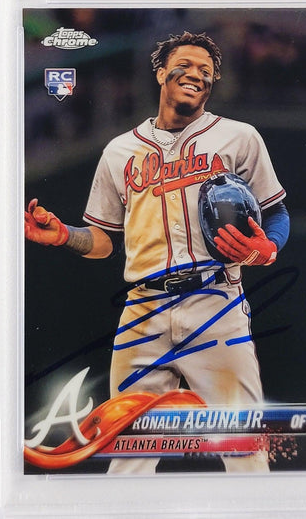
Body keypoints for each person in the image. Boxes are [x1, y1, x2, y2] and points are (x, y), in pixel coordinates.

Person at [25, 31, 290, 474]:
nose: (196, 75)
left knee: (244, 449)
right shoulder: (119, 151)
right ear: (161, 72)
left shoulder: (238, 137)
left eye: (207, 71)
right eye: (186, 65)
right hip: (143, 309)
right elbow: (104, 240)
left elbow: (276, 212)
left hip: (215, 302)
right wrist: (64, 236)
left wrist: (268, 248)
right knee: (128, 455)